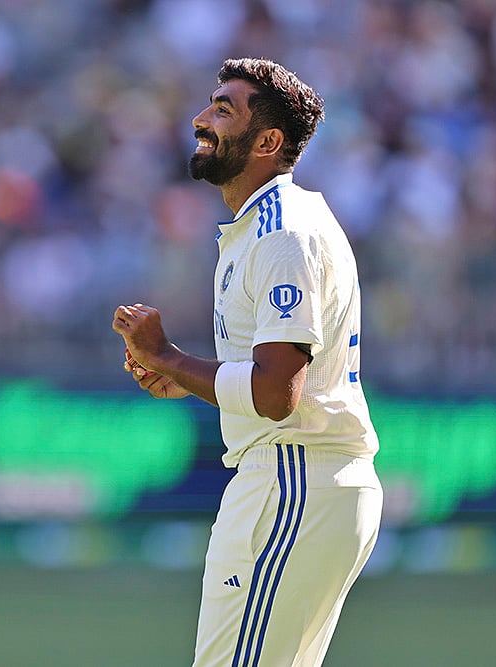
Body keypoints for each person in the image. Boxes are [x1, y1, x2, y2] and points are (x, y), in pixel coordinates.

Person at [112, 58, 383, 667]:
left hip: (292, 480)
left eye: (223, 110)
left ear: (268, 142)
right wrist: (179, 376)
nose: (200, 119)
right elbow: (272, 379)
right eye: (210, 104)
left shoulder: (283, 232)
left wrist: (168, 356)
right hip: (298, 479)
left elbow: (275, 396)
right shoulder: (261, 226)